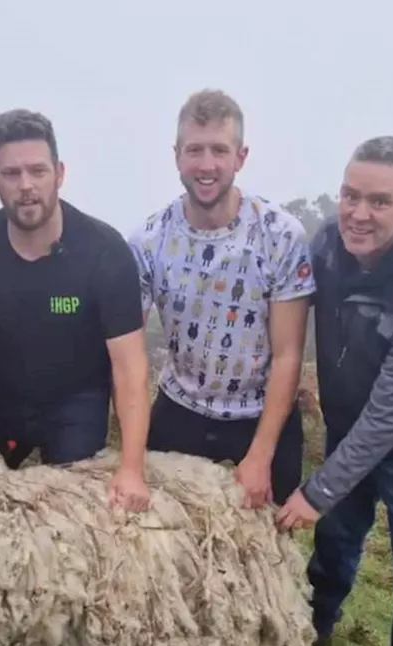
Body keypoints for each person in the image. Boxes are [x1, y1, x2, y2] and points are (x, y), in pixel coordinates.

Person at [275, 136, 393, 646]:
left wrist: (318, 490)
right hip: (345, 427)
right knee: (335, 549)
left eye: (379, 202)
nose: (359, 214)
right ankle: (310, 637)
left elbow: (392, 415)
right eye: (350, 195)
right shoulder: (327, 249)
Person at [0, 108, 151, 511]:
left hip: (76, 401)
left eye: (38, 171)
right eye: (11, 173)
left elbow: (130, 367)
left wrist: (132, 468)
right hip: (3, 396)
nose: (26, 186)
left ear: (59, 173)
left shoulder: (105, 253)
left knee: (72, 512)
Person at [125, 89, 313, 508]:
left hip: (261, 411)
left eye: (219, 150)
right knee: (159, 533)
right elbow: (131, 354)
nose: (206, 165)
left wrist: (261, 456)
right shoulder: (148, 241)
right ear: (177, 155)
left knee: (269, 541)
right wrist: (131, 462)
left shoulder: (281, 235)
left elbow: (287, 355)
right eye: (195, 150)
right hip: (182, 405)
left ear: (240, 157)